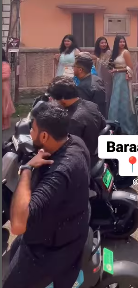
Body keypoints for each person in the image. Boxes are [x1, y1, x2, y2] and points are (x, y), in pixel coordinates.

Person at [3, 103, 90, 288]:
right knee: (17, 247)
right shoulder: (74, 141)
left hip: (51, 250)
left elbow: (18, 225)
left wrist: (27, 169)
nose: (30, 133)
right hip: (67, 227)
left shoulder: (59, 173)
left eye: (32, 129)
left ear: (44, 135)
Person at [47, 76, 106, 167]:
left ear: (62, 98)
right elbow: (103, 125)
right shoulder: (92, 105)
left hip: (82, 162)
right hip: (96, 153)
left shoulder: (72, 119)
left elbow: (65, 150)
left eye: (53, 98)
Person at [108, 36, 138, 134]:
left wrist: (117, 70)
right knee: (116, 100)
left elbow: (130, 67)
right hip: (117, 78)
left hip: (123, 79)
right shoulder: (116, 53)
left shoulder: (125, 52)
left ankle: (126, 125)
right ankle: (115, 124)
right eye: (120, 42)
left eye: (123, 42)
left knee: (124, 101)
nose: (122, 43)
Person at [73, 52, 107, 118]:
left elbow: (83, 111)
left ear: (80, 70)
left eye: (74, 66)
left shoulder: (82, 87)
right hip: (102, 119)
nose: (73, 68)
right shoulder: (98, 79)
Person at [92, 37, 112, 113]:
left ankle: (106, 113)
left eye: (105, 43)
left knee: (107, 94)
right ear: (98, 44)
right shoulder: (97, 53)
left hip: (107, 76)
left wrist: (96, 58)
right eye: (102, 43)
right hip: (98, 75)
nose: (104, 44)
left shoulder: (108, 52)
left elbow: (105, 63)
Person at [2, 49, 15, 131]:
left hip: (3, 88)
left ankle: (5, 124)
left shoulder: (5, 64)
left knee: (4, 106)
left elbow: (5, 76)